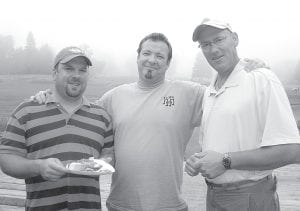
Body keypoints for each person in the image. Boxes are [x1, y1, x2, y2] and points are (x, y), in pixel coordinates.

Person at [30, 33, 264, 211]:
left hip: (170, 204)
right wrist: (50, 96)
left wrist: (247, 70)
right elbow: (82, 113)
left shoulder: (189, 93)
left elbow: (228, 100)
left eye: (159, 56)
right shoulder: (113, 97)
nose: (152, 60)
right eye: (147, 53)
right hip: (121, 204)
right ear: (138, 57)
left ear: (167, 63)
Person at [185, 18, 300, 211]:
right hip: (213, 196)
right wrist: (199, 160)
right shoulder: (210, 90)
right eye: (206, 44)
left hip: (250, 198)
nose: (213, 49)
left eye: (219, 39)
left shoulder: (261, 79)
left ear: (235, 39)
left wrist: (225, 161)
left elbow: (291, 150)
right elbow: (227, 143)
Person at [0, 46, 114, 211]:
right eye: (68, 69)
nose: (76, 75)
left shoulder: (102, 117)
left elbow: (108, 155)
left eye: (82, 70)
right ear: (54, 73)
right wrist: (38, 167)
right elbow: (6, 159)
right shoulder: (26, 112)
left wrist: (103, 162)